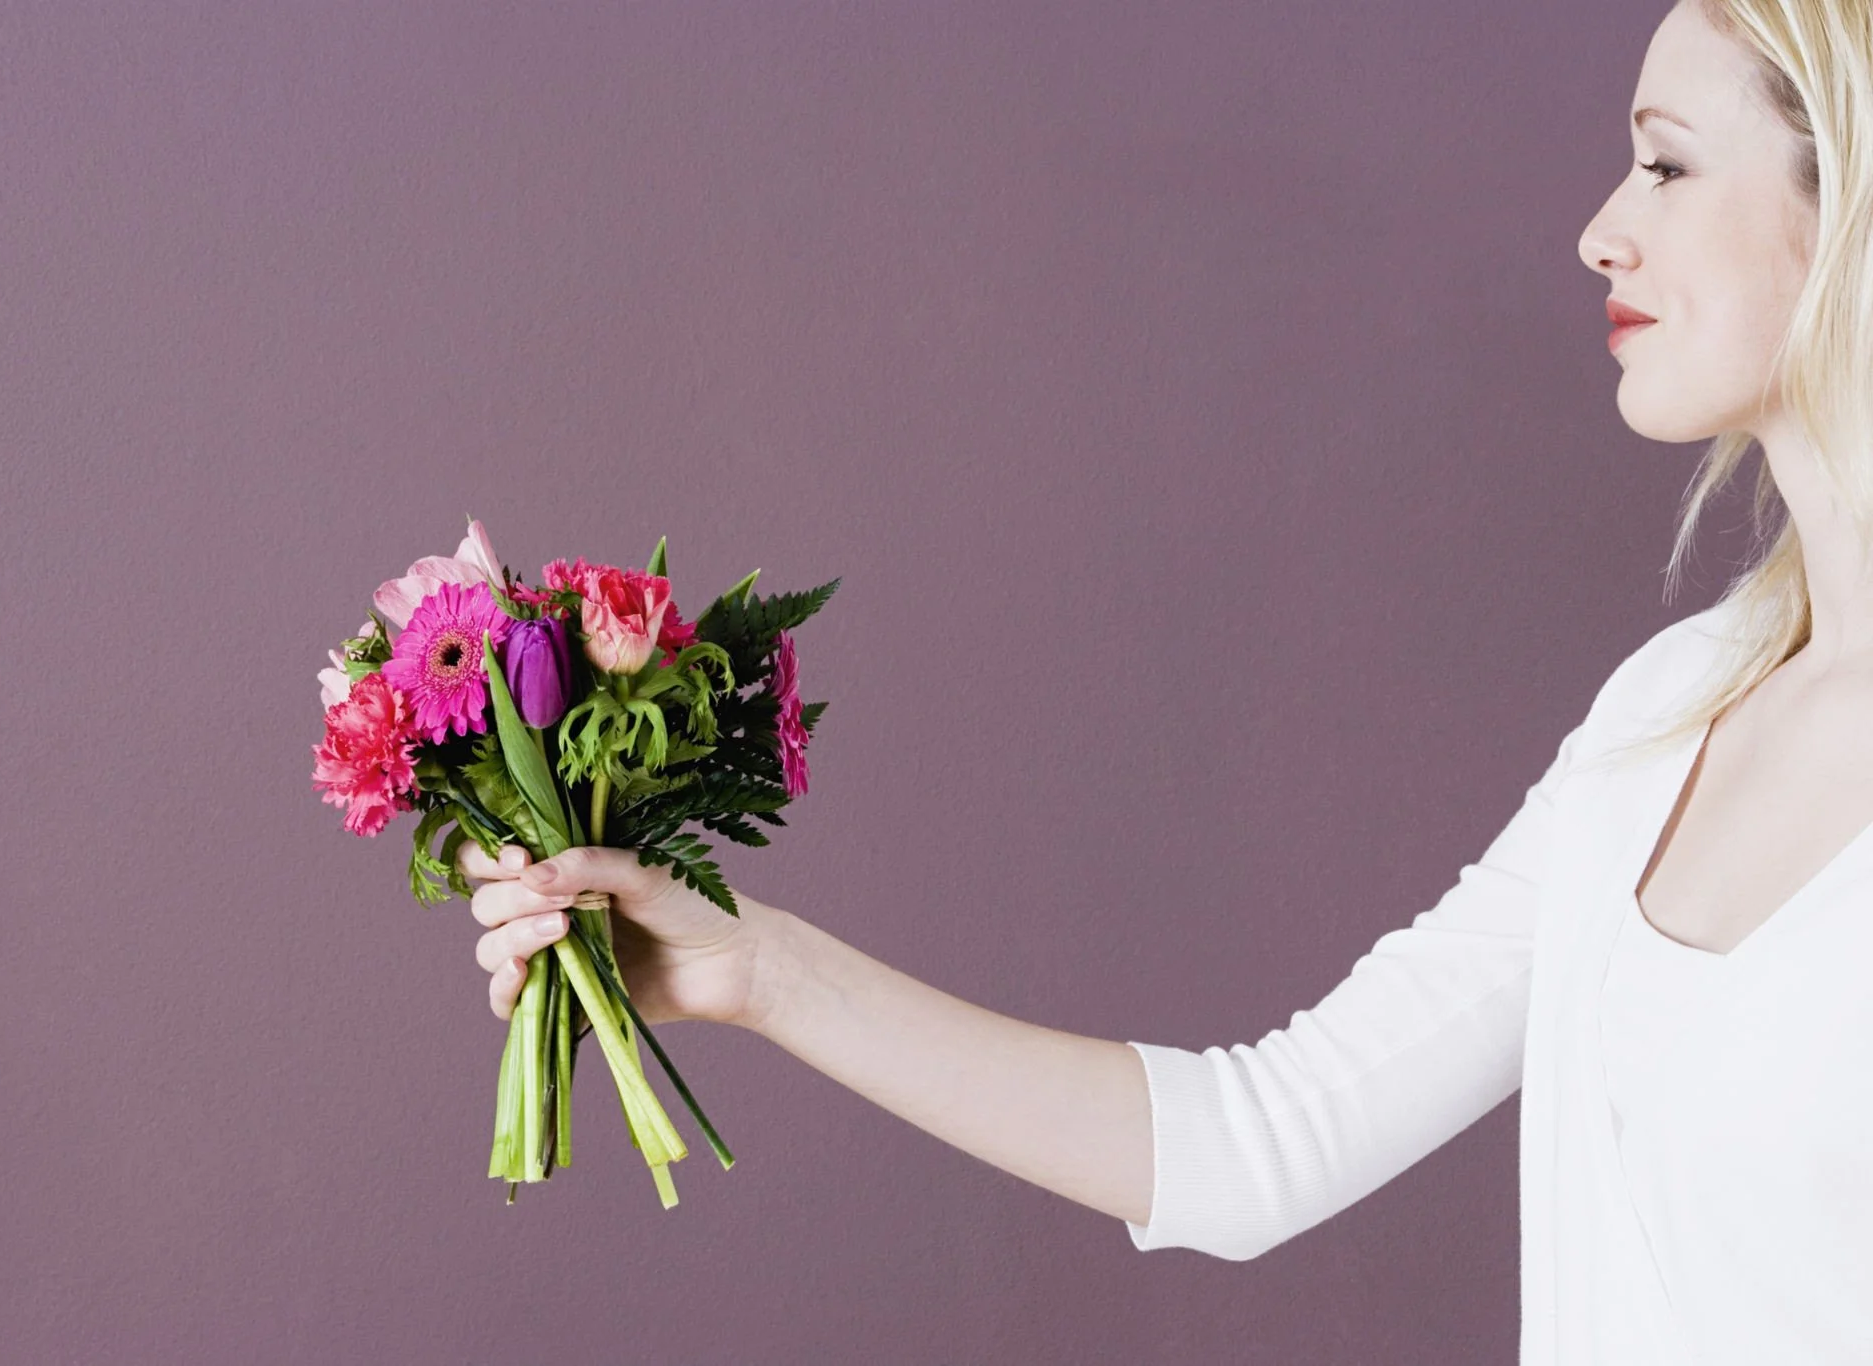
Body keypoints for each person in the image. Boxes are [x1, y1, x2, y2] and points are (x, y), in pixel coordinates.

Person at [465, 1, 1873, 1359]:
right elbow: (1266, 1138)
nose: (1602, 229)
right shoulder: (1666, 714)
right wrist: (753, 967)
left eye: (1667, 164)